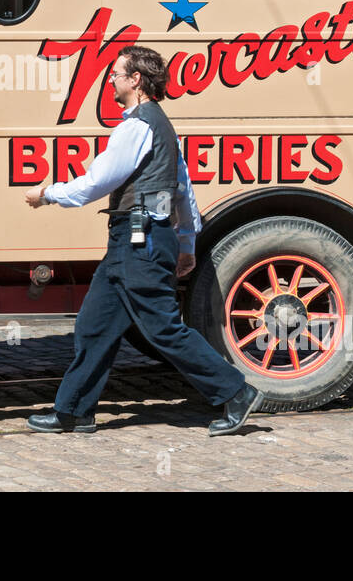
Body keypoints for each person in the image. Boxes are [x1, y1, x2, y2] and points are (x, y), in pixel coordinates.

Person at [23, 45, 264, 436]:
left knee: (163, 328)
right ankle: (74, 411)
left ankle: (235, 392)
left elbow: (98, 182)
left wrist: (47, 194)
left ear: (136, 80)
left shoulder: (136, 127)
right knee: (94, 325)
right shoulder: (160, 125)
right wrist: (185, 243)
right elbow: (182, 189)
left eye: (116, 74)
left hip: (141, 242)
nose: (110, 80)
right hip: (137, 240)